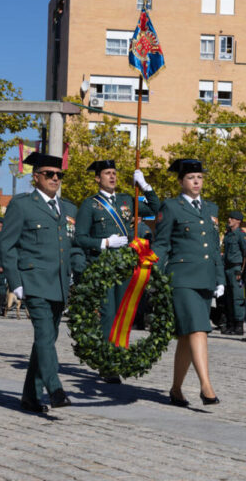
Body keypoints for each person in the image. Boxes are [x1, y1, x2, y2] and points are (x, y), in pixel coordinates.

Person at [0, 152, 82, 413]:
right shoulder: (22, 205)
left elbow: (73, 245)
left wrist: (82, 271)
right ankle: (55, 389)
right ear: (35, 177)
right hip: (33, 281)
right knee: (45, 335)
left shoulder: (68, 208)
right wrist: (16, 281)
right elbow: (6, 244)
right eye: (49, 174)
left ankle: (30, 397)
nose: (55, 178)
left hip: (58, 284)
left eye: (59, 175)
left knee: (46, 341)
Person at [74, 159, 161, 382]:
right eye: (107, 173)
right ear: (97, 178)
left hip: (124, 265)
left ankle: (119, 355)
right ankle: (107, 363)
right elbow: (80, 238)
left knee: (124, 313)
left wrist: (144, 186)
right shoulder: (90, 205)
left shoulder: (126, 199)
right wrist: (104, 243)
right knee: (108, 313)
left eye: (114, 173)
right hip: (102, 267)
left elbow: (156, 208)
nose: (112, 177)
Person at [152, 159, 224, 407]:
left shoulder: (211, 208)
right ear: (181, 181)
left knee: (186, 337)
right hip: (181, 278)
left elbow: (214, 247)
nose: (196, 182)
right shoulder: (171, 207)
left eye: (200, 177)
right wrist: (153, 271)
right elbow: (161, 243)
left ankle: (176, 389)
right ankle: (206, 386)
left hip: (204, 278)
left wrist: (220, 277)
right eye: (192, 177)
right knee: (198, 329)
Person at [222, 211, 246, 336]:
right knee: (228, 298)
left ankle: (239, 325)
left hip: (236, 269)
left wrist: (241, 271)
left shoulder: (241, 235)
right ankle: (230, 323)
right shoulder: (228, 234)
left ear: (238, 221)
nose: (229, 220)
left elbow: (245, 254)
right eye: (229, 217)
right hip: (226, 268)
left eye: (232, 218)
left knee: (237, 298)